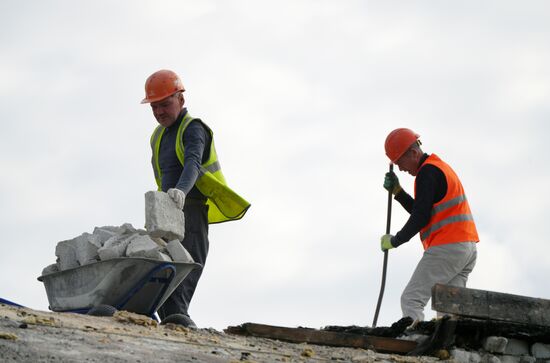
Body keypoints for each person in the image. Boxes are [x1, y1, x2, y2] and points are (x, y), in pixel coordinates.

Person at [141, 69, 250, 328]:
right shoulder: (158, 136)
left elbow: (192, 163)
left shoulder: (193, 129)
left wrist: (181, 190)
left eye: (165, 105)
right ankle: (174, 324)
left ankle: (179, 325)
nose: (159, 112)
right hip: (166, 215)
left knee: (184, 275)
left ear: (181, 99)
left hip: (190, 211)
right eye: (154, 107)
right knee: (163, 279)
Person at [380, 128, 479, 323]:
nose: (400, 168)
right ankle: (449, 347)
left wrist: (395, 240)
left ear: (413, 153)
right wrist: (398, 192)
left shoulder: (427, 172)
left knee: (411, 299)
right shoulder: (438, 167)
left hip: (447, 247)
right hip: (466, 248)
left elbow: (421, 217)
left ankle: (415, 344)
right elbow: (425, 211)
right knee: (449, 309)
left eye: (400, 162)